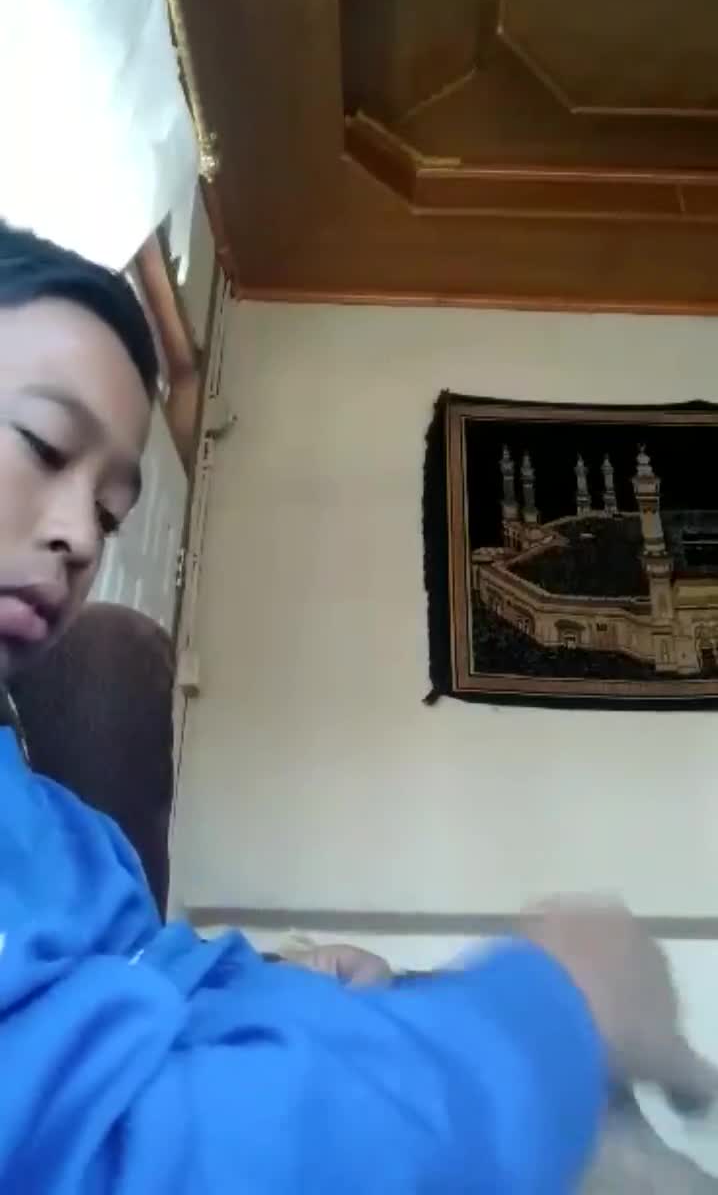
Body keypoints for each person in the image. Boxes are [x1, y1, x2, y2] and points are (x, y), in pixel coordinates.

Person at [0, 220, 715, 1193]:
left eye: (110, 509)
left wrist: (272, 990)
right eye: (44, 443)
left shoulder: (63, 833)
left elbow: (131, 988)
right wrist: (553, 1011)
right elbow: (120, 1158)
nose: (82, 536)